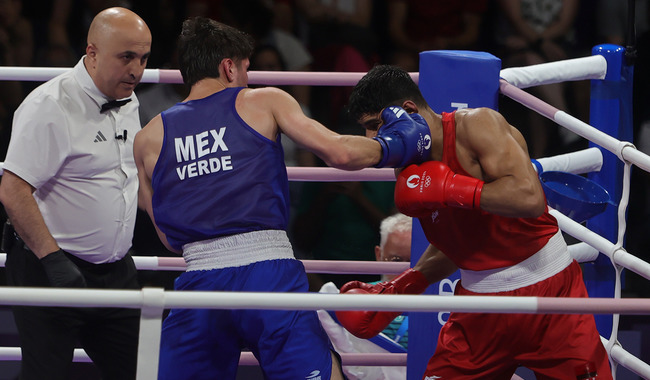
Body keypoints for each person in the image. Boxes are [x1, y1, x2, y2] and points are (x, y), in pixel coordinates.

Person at [133, 17, 431, 380]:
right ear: (228, 67)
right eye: (245, 69)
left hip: (199, 285)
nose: (248, 79)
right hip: (268, 273)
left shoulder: (148, 137)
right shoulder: (263, 101)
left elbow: (166, 236)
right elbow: (341, 154)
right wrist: (400, 141)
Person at [335, 64, 612, 379]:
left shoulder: (478, 126)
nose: (372, 139)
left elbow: (529, 198)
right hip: (478, 307)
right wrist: (403, 286)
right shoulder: (408, 168)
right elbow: (455, 243)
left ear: (407, 110)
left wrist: (453, 186)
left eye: (375, 125)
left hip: (549, 295)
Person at [0, 7, 151, 380]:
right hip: (49, 268)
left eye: (144, 58)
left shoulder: (129, 99)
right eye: (126, 57)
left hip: (115, 273)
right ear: (93, 52)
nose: (137, 69)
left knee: (143, 372)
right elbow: (13, 189)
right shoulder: (49, 105)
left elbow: (126, 179)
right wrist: (53, 261)